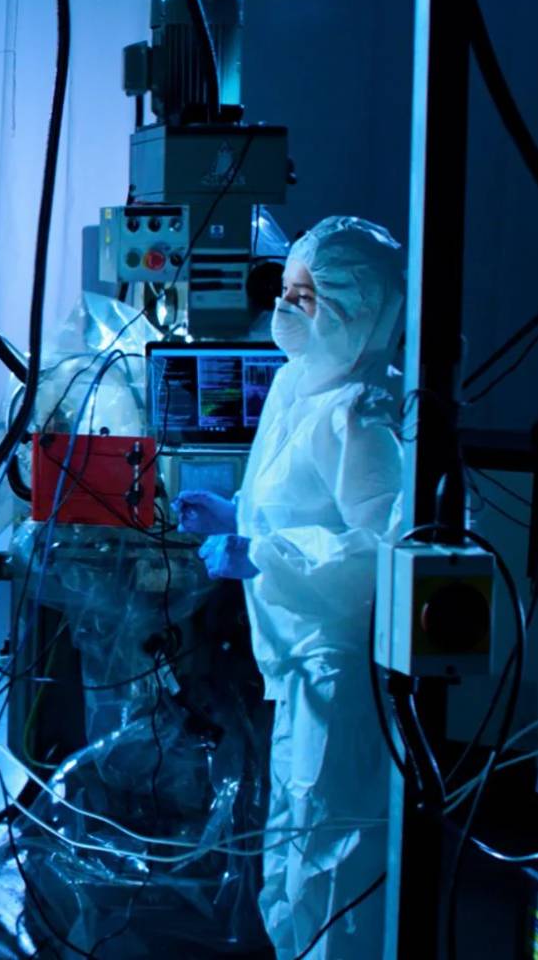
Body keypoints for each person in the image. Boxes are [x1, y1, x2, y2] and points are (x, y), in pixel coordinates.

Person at [173, 216, 405, 960]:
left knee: (330, 856)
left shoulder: (363, 412)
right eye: (284, 293)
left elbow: (384, 551)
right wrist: (234, 515)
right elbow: (293, 504)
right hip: (292, 662)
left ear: (354, 306)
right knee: (289, 849)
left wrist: (262, 554)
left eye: (303, 298)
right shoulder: (296, 383)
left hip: (338, 668)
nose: (283, 312)